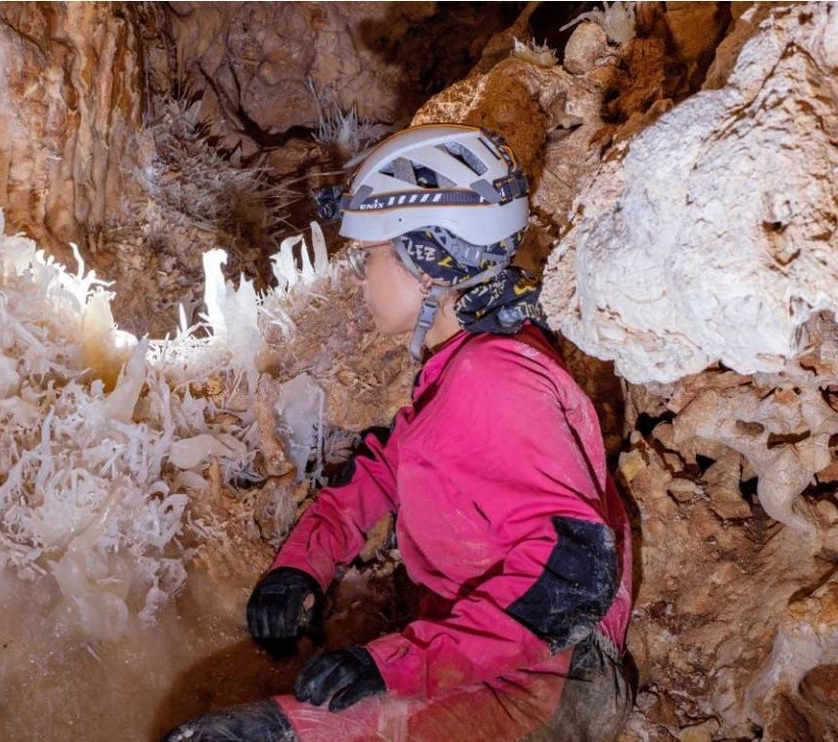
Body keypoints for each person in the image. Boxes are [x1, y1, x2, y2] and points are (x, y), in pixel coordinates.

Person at [164, 124, 634, 741]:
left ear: (428, 263)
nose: (360, 278)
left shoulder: (496, 379)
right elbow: (394, 465)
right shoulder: (467, 357)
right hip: (493, 658)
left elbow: (575, 574)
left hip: (537, 685)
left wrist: (392, 666)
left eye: (370, 256)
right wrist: (302, 566)